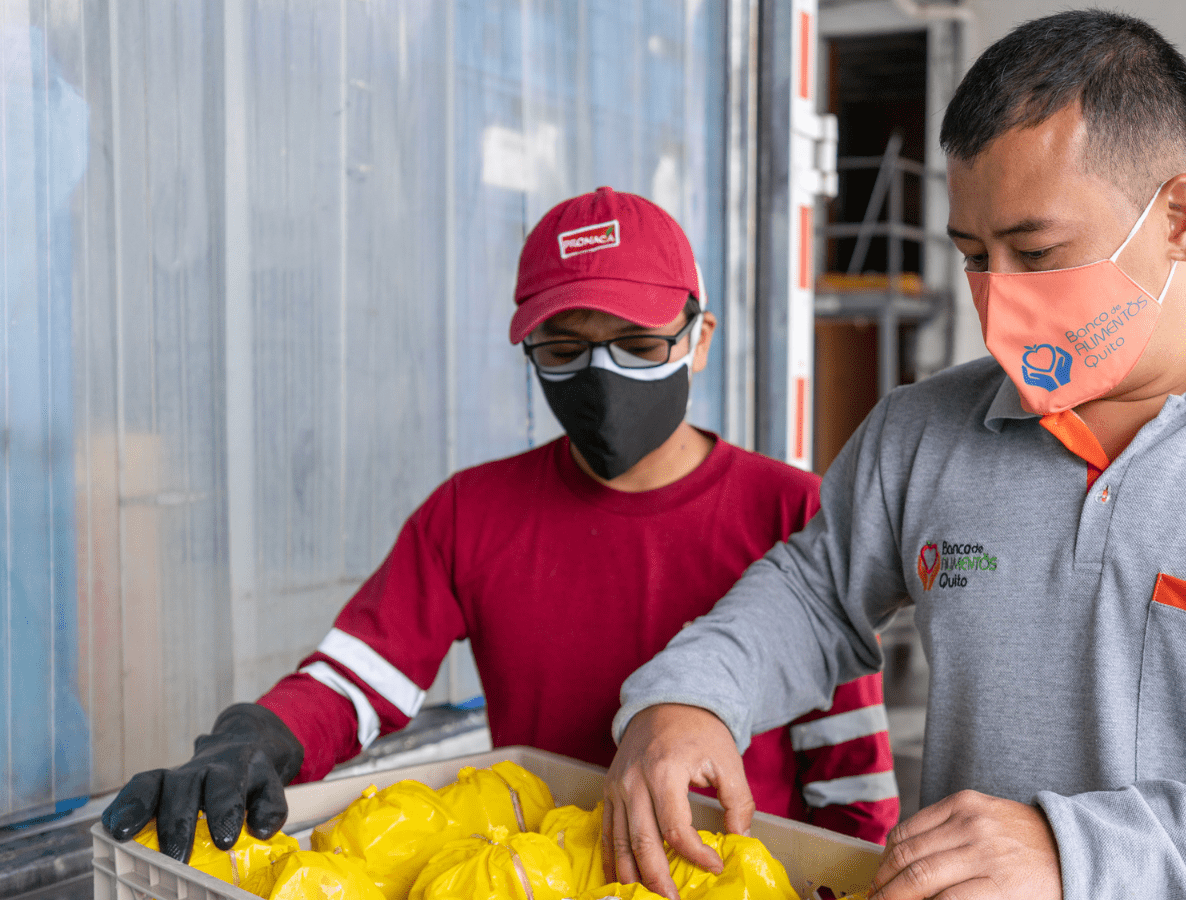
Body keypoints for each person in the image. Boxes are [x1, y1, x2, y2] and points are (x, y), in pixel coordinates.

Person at [603, 11, 1186, 900]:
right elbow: (810, 593)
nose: (999, 297)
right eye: (973, 253)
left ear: (1179, 221)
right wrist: (688, 698)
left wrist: (1078, 853)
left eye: (1037, 252)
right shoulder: (923, 433)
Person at [100, 187, 899, 861]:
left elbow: (852, 787)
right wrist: (253, 736)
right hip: (528, 876)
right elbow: (354, 681)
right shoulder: (471, 515)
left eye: (636, 344)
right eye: (563, 350)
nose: (601, 376)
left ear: (699, 340)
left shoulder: (793, 510)